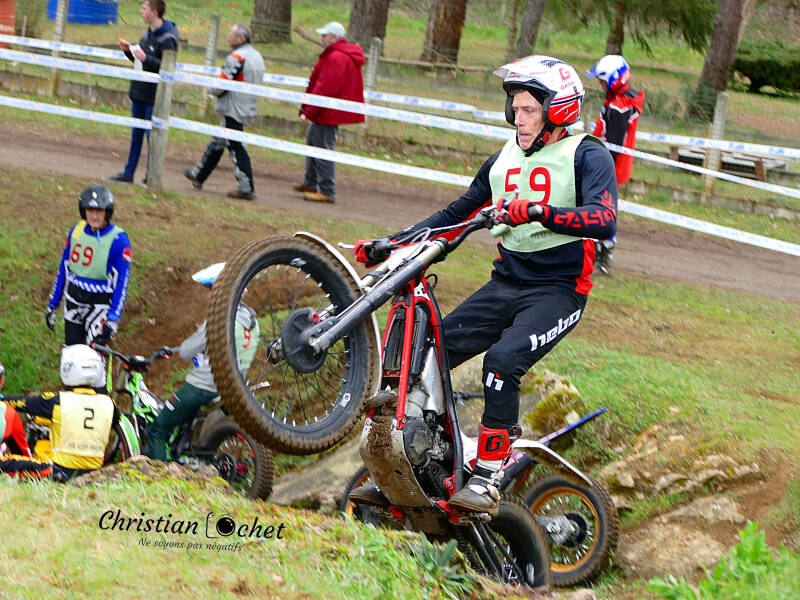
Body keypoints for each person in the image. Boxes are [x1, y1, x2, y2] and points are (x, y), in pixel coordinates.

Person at [348, 55, 618, 515]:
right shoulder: (503, 159)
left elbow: (603, 218)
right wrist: (390, 243)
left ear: (559, 110)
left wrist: (538, 212)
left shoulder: (587, 154)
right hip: (505, 284)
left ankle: (490, 474)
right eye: (515, 107)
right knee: (427, 351)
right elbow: (455, 215)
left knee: (502, 361)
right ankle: (413, 463)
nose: (518, 117)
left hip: (560, 291)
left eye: (529, 109)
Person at [146, 263, 259, 461]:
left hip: (204, 385)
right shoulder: (252, 321)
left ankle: (158, 476)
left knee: (157, 430)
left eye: (211, 289)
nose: (208, 296)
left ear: (225, 291)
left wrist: (194, 344)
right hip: (234, 385)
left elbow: (187, 351)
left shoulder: (219, 318)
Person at [2, 345, 119, 482]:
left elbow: (23, 403)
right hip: (95, 472)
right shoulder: (110, 404)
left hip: (60, 472)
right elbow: (114, 422)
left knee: (14, 462)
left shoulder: (56, 401)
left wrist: (3, 399)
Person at [183, 25, 265, 200]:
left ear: (240, 39)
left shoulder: (236, 57)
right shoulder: (257, 56)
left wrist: (209, 89)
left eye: (231, 35)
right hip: (247, 105)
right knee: (217, 142)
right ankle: (199, 175)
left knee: (236, 147)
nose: (228, 38)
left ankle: (246, 187)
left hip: (233, 107)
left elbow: (222, 85)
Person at [45, 184, 132, 347]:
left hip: (99, 307)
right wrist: (53, 304)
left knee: (94, 356)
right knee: (72, 355)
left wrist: (113, 318)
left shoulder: (118, 240)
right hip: (73, 302)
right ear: (83, 211)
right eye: (90, 210)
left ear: (107, 213)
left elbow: (121, 282)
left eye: (99, 211)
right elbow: (64, 269)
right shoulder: (76, 231)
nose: (94, 216)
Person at [293, 21, 365, 204]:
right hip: (326, 110)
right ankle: (310, 182)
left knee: (323, 149)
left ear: (334, 37)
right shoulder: (336, 55)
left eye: (324, 35)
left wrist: (309, 110)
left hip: (327, 112)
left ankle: (327, 190)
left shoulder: (336, 57)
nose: (322, 38)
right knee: (312, 141)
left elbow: (325, 87)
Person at [107, 0, 179, 184]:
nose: (141, 11)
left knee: (151, 136)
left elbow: (167, 67)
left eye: (144, 8)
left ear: (155, 12)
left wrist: (147, 58)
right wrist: (129, 52)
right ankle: (128, 173)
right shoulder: (146, 33)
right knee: (136, 135)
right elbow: (141, 61)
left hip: (154, 96)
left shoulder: (169, 39)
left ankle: (151, 176)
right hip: (139, 91)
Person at [585, 55, 645, 273]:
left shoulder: (620, 105)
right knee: (604, 205)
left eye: (603, 81)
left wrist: (601, 166)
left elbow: (614, 144)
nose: (600, 85)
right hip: (607, 162)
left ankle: (601, 254)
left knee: (602, 206)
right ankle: (600, 251)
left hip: (608, 164)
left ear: (613, 79)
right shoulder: (619, 99)